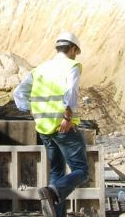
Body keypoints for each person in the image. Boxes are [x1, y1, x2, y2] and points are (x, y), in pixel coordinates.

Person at [13, 31, 88, 217]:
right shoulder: (72, 65)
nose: (75, 55)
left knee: (57, 173)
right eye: (75, 52)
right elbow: (71, 91)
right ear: (72, 49)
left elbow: (19, 93)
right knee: (81, 170)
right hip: (63, 126)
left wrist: (30, 110)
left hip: (44, 128)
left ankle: (56, 208)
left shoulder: (40, 69)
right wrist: (67, 118)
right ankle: (53, 191)